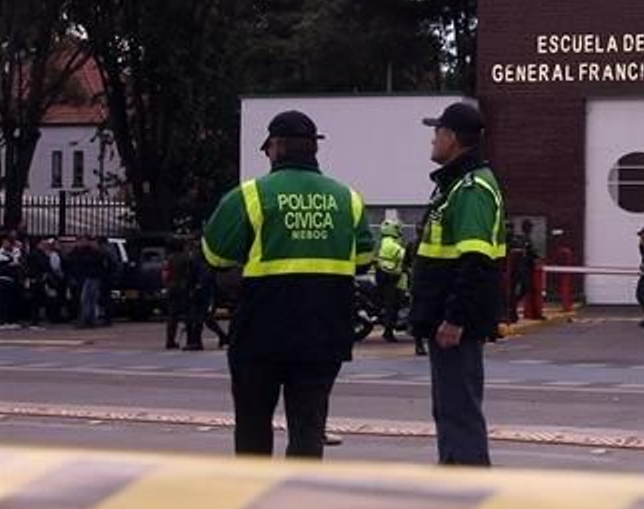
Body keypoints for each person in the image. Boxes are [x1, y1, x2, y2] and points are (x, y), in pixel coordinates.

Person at [202, 109, 375, 458]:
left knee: (253, 424)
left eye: (267, 148)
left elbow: (215, 255)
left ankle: (255, 489)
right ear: (314, 148)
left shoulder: (250, 196)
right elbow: (364, 259)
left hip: (262, 330)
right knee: (308, 427)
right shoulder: (348, 199)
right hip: (324, 331)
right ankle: (298, 490)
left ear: (277, 147)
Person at [409, 101, 506, 467]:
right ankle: (456, 473)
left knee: (458, 408)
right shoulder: (456, 186)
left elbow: (475, 260)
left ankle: (466, 482)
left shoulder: (470, 189)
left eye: (436, 132)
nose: (432, 140)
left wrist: (455, 318)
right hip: (447, 318)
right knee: (451, 407)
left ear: (451, 137)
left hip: (454, 323)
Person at [375, 219, 407, 342]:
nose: (400, 230)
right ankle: (388, 332)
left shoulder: (387, 241)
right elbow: (402, 254)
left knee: (394, 303)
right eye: (397, 228)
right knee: (392, 305)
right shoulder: (389, 243)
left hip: (391, 277)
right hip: (389, 278)